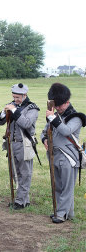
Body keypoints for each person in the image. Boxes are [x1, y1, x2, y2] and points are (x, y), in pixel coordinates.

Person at [41, 83, 85, 223]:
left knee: (67, 187)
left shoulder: (76, 117)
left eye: (60, 105)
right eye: (56, 105)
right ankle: (67, 212)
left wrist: (53, 118)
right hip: (54, 154)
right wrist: (44, 139)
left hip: (68, 156)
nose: (58, 108)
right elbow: (45, 130)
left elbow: (66, 130)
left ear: (67, 102)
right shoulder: (55, 116)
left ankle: (60, 213)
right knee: (58, 185)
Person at [0, 83, 39, 210]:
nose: (15, 100)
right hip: (12, 143)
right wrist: (4, 113)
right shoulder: (12, 105)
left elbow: (26, 123)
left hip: (24, 143)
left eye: (18, 97)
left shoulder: (32, 108)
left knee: (25, 173)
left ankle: (20, 201)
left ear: (24, 95)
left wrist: (14, 111)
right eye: (14, 97)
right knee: (15, 173)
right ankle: (23, 199)